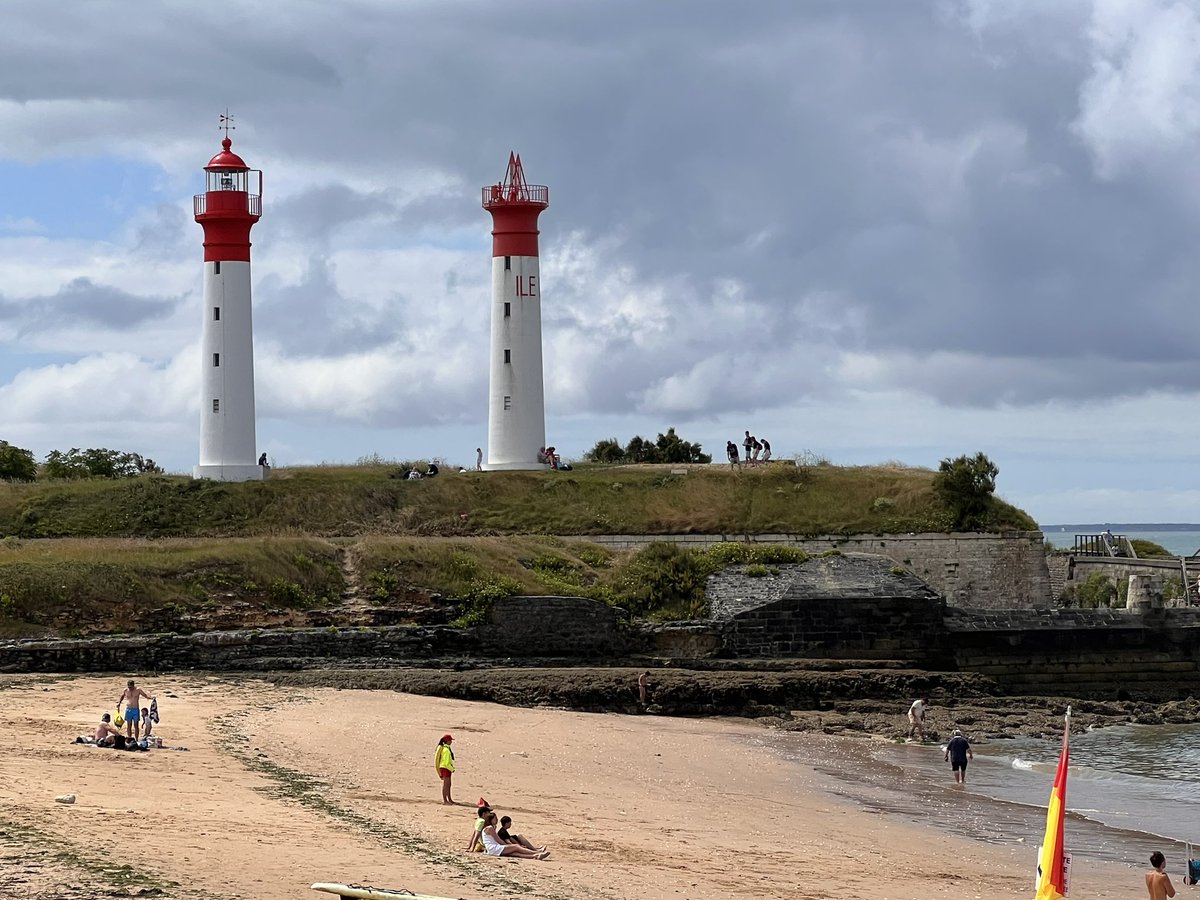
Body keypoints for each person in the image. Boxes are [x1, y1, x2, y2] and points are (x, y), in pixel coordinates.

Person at [479, 811, 548, 860]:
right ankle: (536, 852)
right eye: (495, 819)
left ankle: (535, 856)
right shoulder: (490, 828)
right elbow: (498, 840)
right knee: (516, 847)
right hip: (494, 848)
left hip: (492, 849)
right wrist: (507, 845)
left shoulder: (488, 828)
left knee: (515, 853)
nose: (497, 820)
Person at [435, 734, 455, 804]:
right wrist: (452, 769)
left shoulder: (446, 748)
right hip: (445, 768)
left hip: (446, 768)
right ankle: (445, 800)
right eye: (450, 740)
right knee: (446, 784)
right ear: (447, 741)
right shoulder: (446, 750)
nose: (451, 742)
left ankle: (449, 799)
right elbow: (446, 763)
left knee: (449, 784)